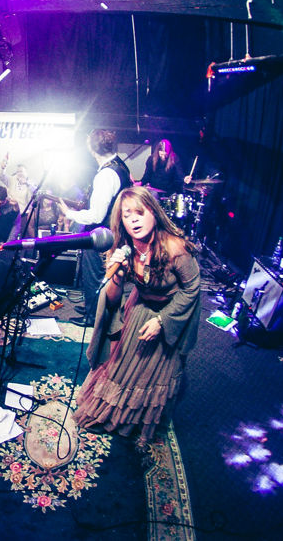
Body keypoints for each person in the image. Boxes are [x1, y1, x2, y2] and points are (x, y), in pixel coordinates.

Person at [74, 186, 201, 449]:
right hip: (140, 307)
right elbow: (111, 300)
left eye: (139, 213)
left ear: (154, 213)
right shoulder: (123, 248)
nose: (133, 219)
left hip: (170, 313)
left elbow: (192, 289)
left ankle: (141, 422)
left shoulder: (176, 248)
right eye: (126, 214)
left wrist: (163, 321)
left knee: (151, 376)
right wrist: (116, 277)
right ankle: (119, 416)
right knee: (120, 369)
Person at [56, 129, 133, 327]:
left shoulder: (106, 174)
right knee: (100, 274)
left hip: (103, 233)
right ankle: (91, 305)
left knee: (94, 273)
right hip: (115, 230)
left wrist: (69, 213)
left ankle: (92, 317)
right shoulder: (120, 165)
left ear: (92, 149)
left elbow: (97, 215)